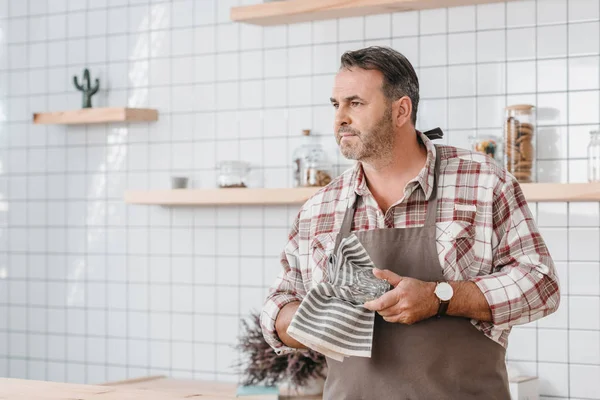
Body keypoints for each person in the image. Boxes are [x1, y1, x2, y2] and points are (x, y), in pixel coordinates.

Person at [260, 46, 560, 399]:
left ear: (401, 110)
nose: (340, 118)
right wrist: (313, 320)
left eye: (355, 103)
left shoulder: (482, 182)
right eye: (335, 104)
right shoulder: (321, 207)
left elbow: (541, 285)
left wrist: (439, 297)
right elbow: (277, 306)